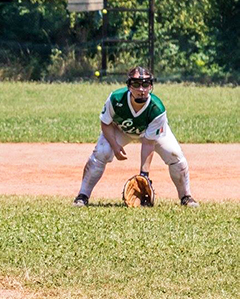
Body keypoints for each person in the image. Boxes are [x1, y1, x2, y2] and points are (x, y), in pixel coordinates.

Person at [73, 66, 199, 208]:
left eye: (145, 84)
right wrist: (114, 146)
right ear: (129, 86)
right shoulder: (116, 99)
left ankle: (186, 197)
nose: (141, 90)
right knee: (101, 152)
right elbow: (105, 123)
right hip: (120, 130)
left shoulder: (156, 108)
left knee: (175, 155)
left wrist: (144, 174)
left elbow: (148, 142)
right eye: (136, 84)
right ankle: (82, 196)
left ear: (151, 86)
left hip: (149, 134)